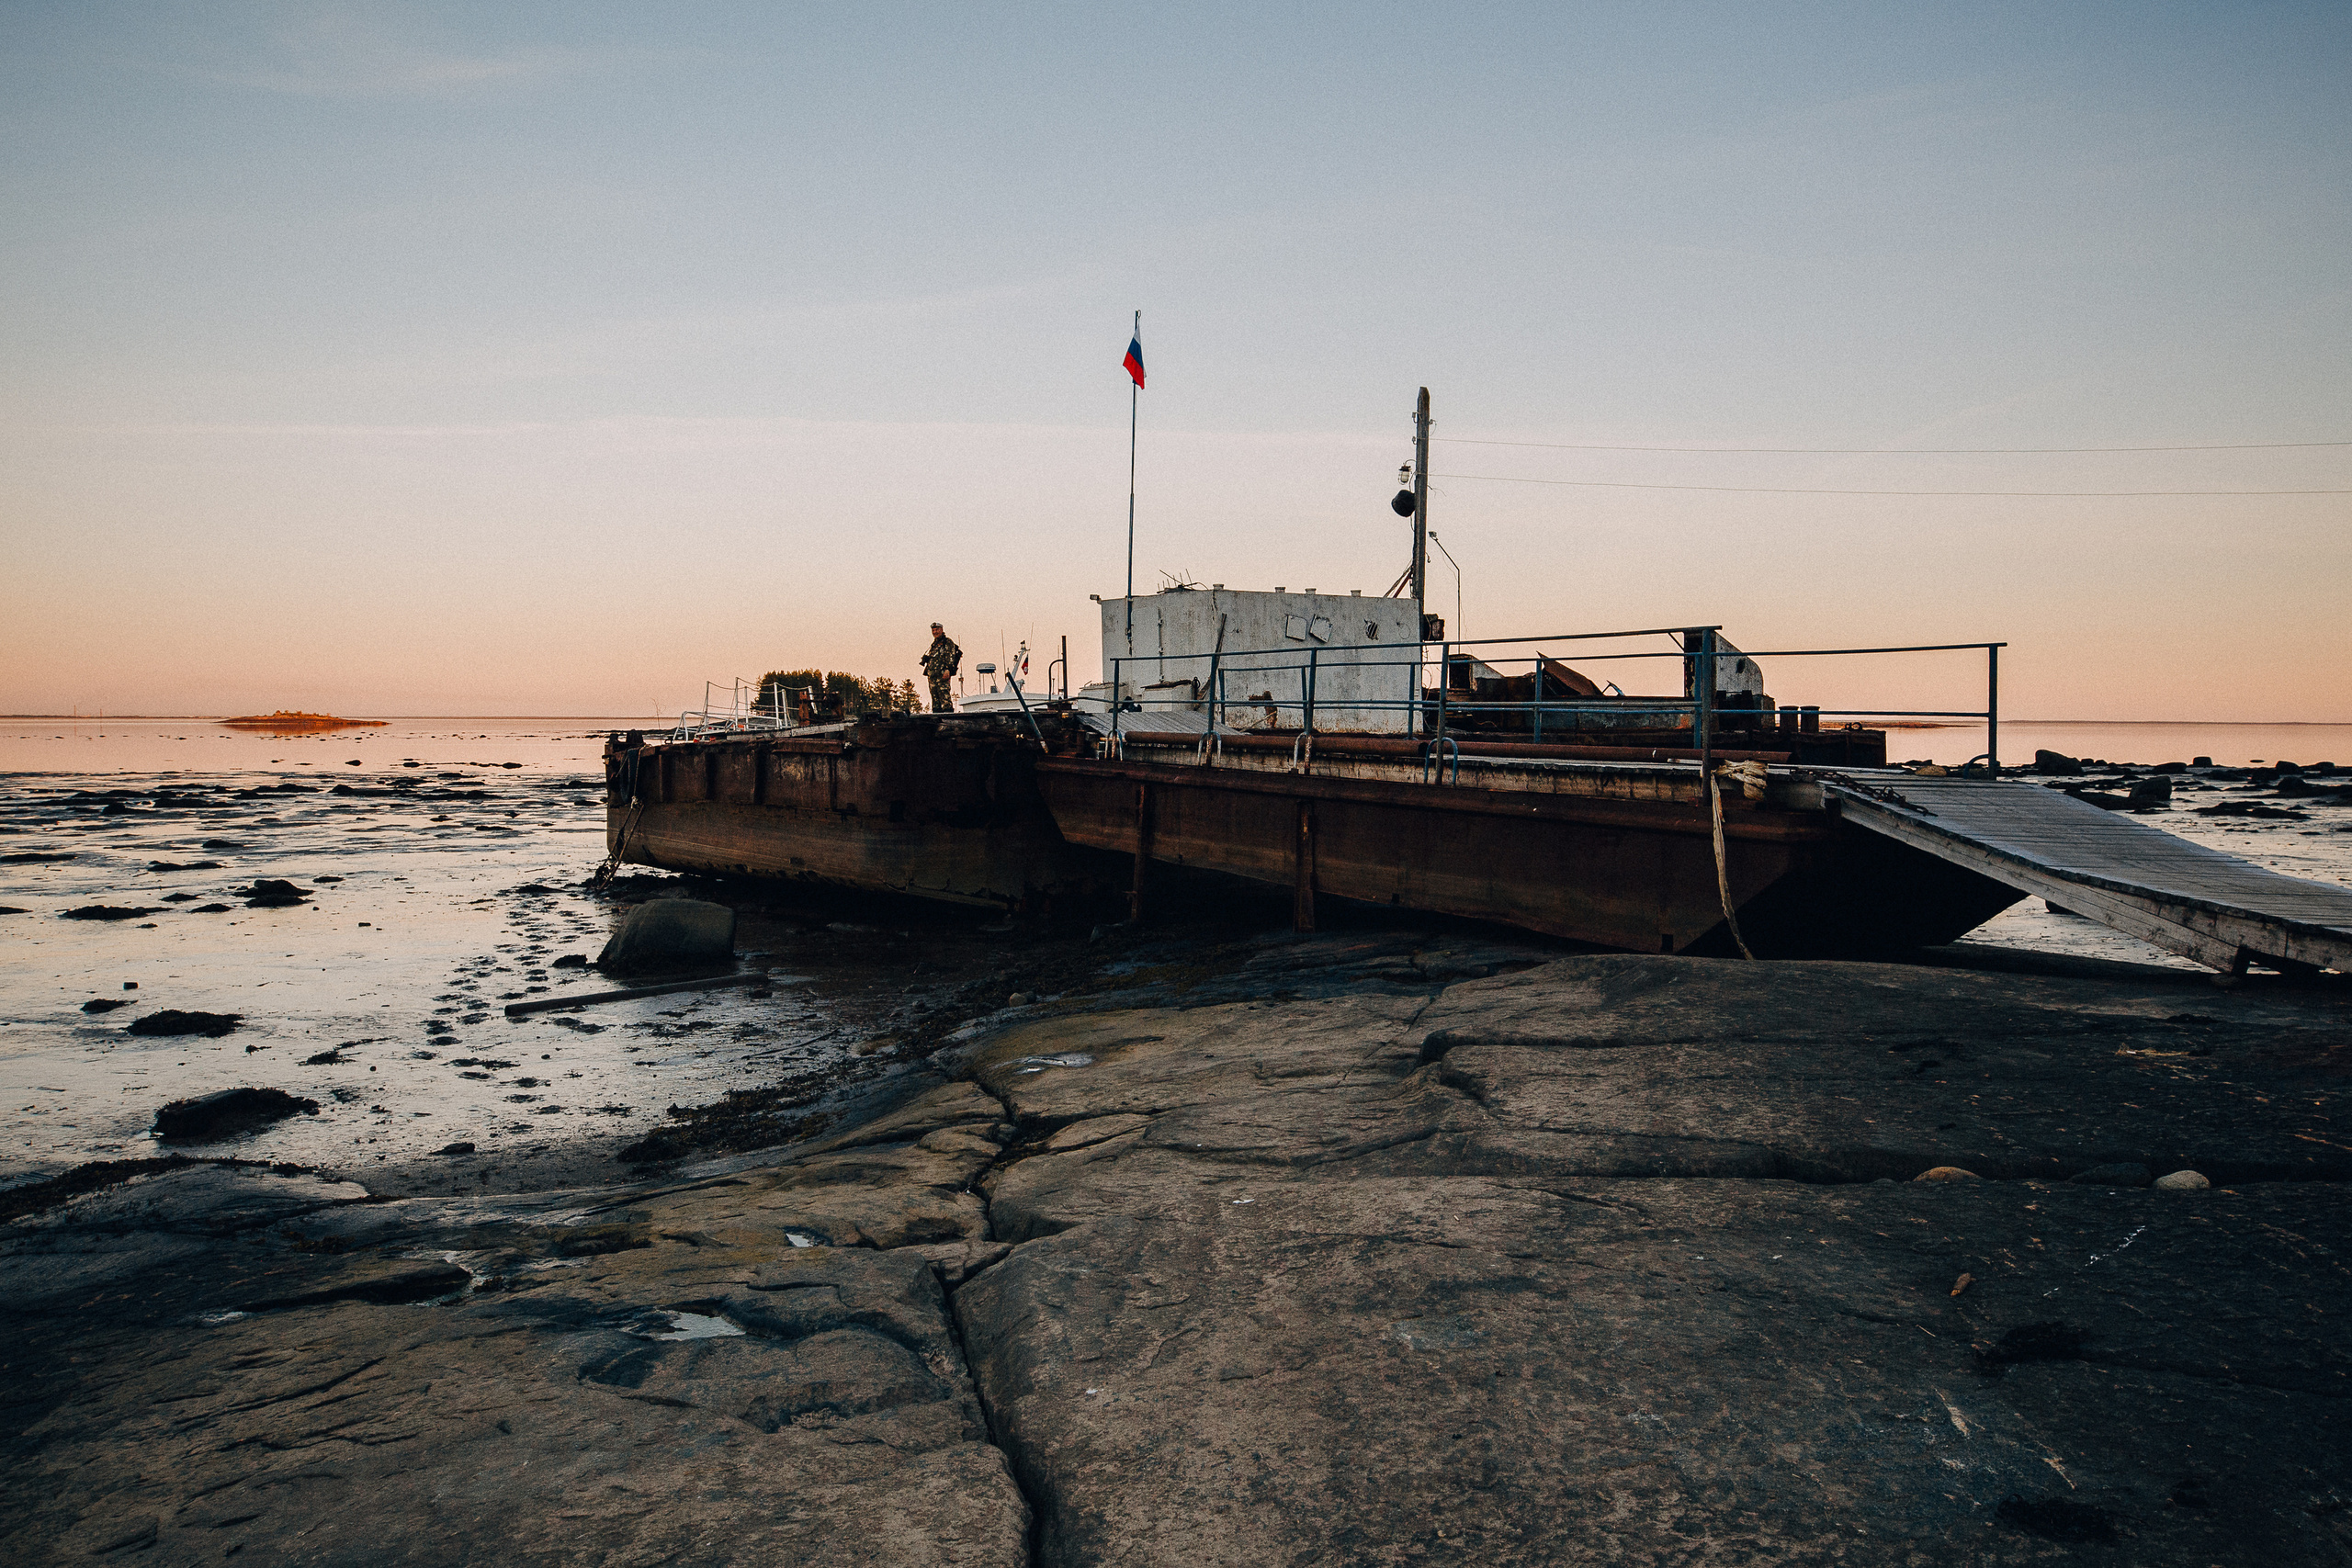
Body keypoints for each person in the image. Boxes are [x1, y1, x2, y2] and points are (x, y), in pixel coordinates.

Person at [920, 622, 962, 713]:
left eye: (937, 630)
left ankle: (948, 716)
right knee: (935, 697)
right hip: (932, 675)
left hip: (942, 674)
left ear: (941, 630)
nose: (935, 632)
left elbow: (950, 656)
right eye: (933, 630)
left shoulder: (947, 642)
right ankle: (936, 716)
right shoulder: (934, 644)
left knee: (944, 695)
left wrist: (948, 670)